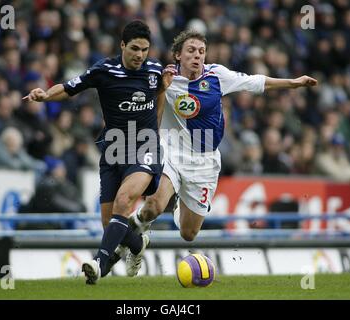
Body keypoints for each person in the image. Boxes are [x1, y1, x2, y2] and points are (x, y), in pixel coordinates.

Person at [114, 29, 317, 276]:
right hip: (172, 152)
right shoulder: (165, 78)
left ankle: (174, 205)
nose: (197, 56)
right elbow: (140, 101)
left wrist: (293, 83)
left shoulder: (217, 75)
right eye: (191, 51)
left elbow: (255, 81)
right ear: (178, 55)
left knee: (189, 234)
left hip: (205, 162)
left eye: (201, 51)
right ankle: (134, 238)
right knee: (153, 206)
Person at [23, 21, 167, 284]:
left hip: (145, 146)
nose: (140, 55)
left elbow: (161, 92)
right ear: (122, 45)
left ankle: (99, 265)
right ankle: (136, 245)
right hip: (113, 149)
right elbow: (69, 87)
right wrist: (45, 95)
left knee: (124, 202)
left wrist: (155, 127)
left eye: (145, 49)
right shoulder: (104, 70)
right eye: (135, 48)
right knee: (110, 222)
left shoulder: (155, 69)